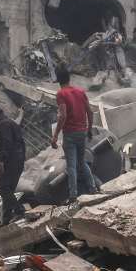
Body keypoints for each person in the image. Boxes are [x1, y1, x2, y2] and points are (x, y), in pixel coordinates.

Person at [51, 66, 96, 202]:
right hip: (82, 132)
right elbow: (90, 112)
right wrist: (89, 129)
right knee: (81, 162)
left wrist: (55, 136)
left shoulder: (61, 94)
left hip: (70, 134)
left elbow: (62, 115)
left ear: (58, 80)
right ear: (69, 78)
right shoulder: (80, 92)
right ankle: (92, 187)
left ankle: (73, 195)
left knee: (71, 165)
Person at [0, 107, 26, 225]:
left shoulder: (3, 125)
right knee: (8, 189)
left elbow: (7, 142)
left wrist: (1, 160)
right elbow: (21, 142)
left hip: (11, 160)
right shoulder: (12, 123)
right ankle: (6, 219)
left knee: (3, 186)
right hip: (18, 159)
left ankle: (19, 210)